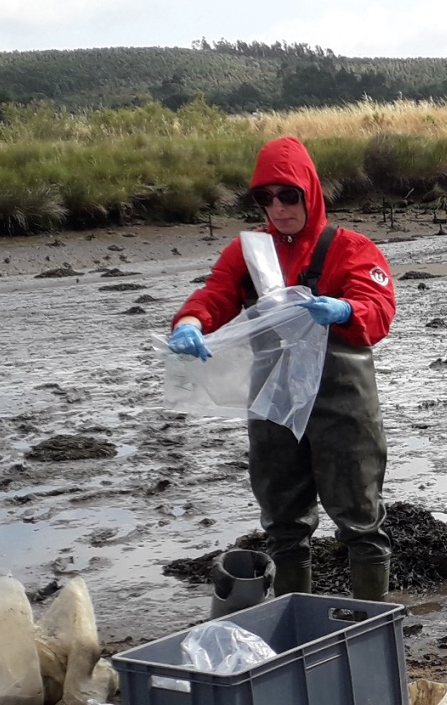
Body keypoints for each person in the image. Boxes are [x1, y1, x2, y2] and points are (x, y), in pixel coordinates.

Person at [168, 136, 397, 600]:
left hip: (342, 400)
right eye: (265, 197)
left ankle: (371, 622)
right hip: (273, 398)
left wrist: (347, 311)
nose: (278, 207)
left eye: (288, 195)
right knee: (283, 521)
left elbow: (379, 307)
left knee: (360, 517)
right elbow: (216, 293)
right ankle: (297, 622)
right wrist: (190, 321)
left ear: (310, 192)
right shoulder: (248, 252)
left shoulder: (350, 248)